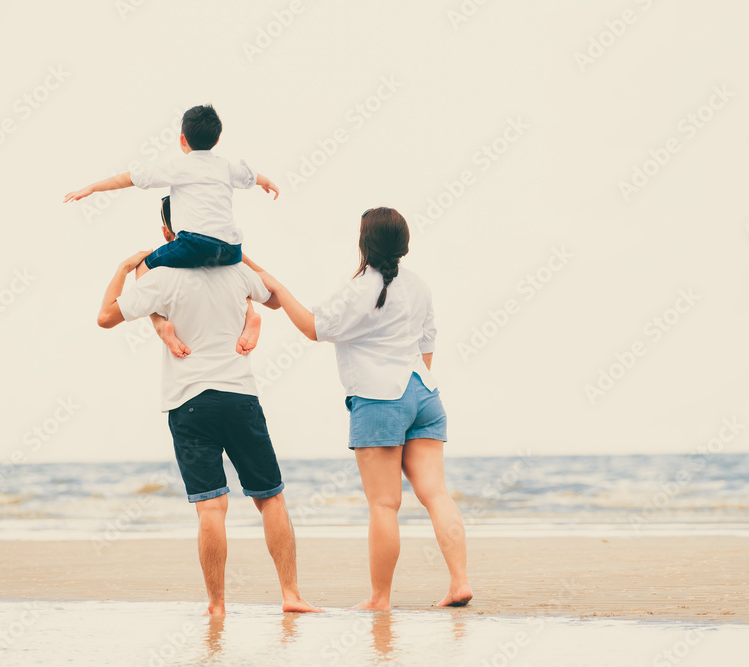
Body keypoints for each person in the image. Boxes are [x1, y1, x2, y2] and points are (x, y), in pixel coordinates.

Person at [94, 206, 320, 617]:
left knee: (211, 508)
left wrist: (126, 266)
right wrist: (241, 257)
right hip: (239, 397)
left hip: (189, 400)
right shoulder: (235, 272)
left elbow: (105, 316)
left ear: (168, 231)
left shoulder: (160, 277)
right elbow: (274, 296)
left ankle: (216, 605)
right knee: (271, 500)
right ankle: (291, 594)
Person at [257, 207, 473, 610]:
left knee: (384, 505)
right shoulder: (419, 285)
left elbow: (313, 327)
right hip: (423, 393)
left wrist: (280, 288)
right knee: (437, 494)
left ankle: (380, 598)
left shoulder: (360, 289)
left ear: (365, 242)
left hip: (379, 400)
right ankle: (459, 582)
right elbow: (428, 344)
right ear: (403, 243)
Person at [65, 104, 278, 358]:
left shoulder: (178, 167)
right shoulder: (226, 167)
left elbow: (130, 178)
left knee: (144, 267)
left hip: (195, 244)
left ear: (182, 140)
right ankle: (250, 317)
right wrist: (269, 183)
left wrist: (91, 188)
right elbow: (252, 177)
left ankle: (160, 325)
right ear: (218, 139)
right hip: (231, 248)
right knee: (234, 274)